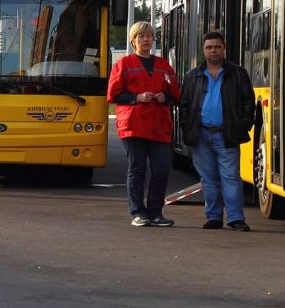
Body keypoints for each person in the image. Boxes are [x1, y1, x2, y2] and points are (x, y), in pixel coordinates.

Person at [178, 30, 256, 231]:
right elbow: (184, 105)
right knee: (209, 180)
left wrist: (242, 125)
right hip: (201, 136)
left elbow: (249, 103)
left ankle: (236, 219)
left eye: (217, 47)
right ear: (203, 51)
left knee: (230, 178)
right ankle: (213, 217)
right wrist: (188, 128)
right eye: (209, 47)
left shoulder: (238, 74)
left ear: (224, 49)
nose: (214, 51)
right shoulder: (193, 75)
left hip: (226, 135)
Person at [107, 20, 180, 226]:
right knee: (137, 169)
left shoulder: (164, 66)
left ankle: (156, 212)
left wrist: (166, 98)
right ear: (133, 41)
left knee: (161, 169)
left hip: (159, 125)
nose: (145, 40)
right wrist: (137, 98)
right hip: (133, 125)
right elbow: (113, 95)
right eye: (141, 36)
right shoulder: (123, 65)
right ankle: (138, 212)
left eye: (149, 36)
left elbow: (176, 94)